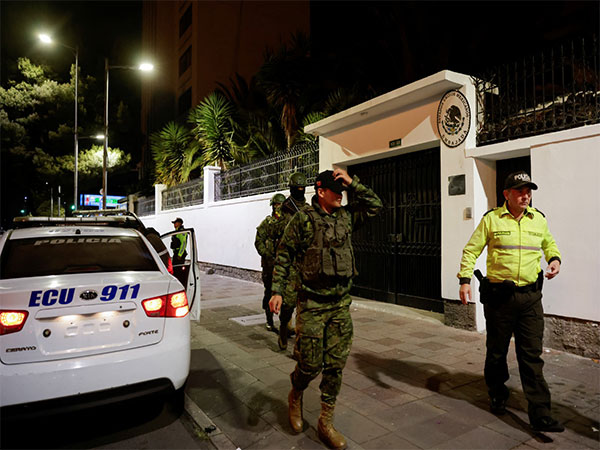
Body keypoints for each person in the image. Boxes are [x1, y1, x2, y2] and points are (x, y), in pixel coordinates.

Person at [269, 168, 382, 449]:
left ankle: (325, 421)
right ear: (321, 192)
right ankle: (296, 393)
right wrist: (277, 291)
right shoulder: (303, 220)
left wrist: (353, 182)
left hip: (340, 304)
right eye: (336, 190)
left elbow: (376, 205)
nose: (341, 195)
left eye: (342, 191)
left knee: (335, 366)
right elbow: (284, 254)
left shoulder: (346, 217)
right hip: (312, 303)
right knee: (309, 364)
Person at [457, 170, 564, 433]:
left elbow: (549, 244)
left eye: (529, 191)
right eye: (520, 191)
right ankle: (497, 392)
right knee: (496, 352)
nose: (526, 196)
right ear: (507, 194)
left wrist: (554, 259)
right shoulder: (492, 219)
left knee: (531, 356)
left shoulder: (538, 220)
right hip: (499, 298)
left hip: (529, 298)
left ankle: (541, 414)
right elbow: (472, 249)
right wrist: (464, 279)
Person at [276, 172, 309, 350]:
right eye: (297, 189)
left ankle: (300, 344)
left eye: (302, 189)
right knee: (288, 303)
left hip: (305, 263)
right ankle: (283, 326)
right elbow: (280, 233)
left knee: (304, 307)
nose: (300, 191)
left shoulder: (308, 209)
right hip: (290, 264)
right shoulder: (285, 209)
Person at [255, 193, 286, 332]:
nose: (278, 207)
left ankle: (286, 323)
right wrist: (267, 254)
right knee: (269, 293)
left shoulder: (288, 223)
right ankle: (269, 321)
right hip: (269, 265)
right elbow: (258, 241)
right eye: (276, 205)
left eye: (280, 205)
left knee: (286, 294)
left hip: (284, 265)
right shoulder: (266, 223)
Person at [171, 217, 188, 286]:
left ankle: (180, 284)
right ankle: (176, 284)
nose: (174, 224)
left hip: (179, 254)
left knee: (179, 270)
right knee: (175, 270)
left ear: (180, 223)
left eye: (175, 223)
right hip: (176, 253)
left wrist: (180, 254)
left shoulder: (181, 232)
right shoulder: (176, 231)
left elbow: (183, 244)